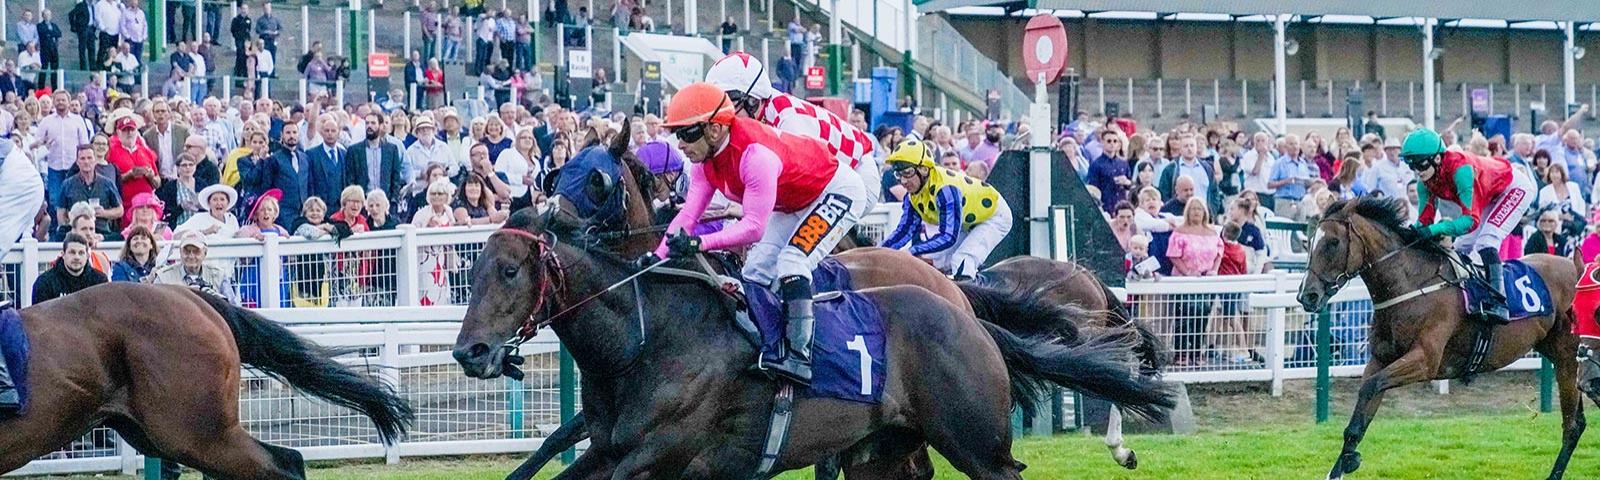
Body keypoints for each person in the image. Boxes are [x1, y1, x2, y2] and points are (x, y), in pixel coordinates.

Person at [654, 83, 870, 385]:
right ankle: (771, 346)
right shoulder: (705, 163)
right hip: (794, 199)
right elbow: (687, 216)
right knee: (754, 271)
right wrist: (655, 257)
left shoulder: (755, 156)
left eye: (687, 133)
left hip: (835, 190)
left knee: (792, 263)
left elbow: (754, 228)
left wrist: (699, 243)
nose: (680, 144)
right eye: (677, 134)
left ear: (715, 130)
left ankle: (799, 356)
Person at [703, 52, 882, 205]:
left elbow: (800, 181)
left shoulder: (789, 119)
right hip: (835, 175)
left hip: (858, 172)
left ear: (752, 100)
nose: (725, 115)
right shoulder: (761, 112)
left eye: (730, 104)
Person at [1405, 128, 1536, 323]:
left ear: (1437, 159)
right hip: (1489, 192)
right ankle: (1465, 297)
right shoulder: (1424, 182)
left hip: (1513, 187)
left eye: (1421, 164)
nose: (1417, 171)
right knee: (1461, 247)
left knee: (1487, 241)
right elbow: (1424, 221)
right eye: (1412, 165)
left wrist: (1435, 229)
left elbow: (1470, 220)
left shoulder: (1461, 170)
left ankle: (1499, 302)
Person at [879, 140, 1013, 280]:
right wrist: (879, 251)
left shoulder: (946, 189)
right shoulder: (912, 196)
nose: (903, 181)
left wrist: (911, 250)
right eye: (898, 175)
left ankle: (975, 298)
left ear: (924, 169)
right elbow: (904, 231)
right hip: (967, 221)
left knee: (962, 260)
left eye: (907, 173)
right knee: (932, 259)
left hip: (994, 217)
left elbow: (948, 237)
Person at [146, 231, 238, 304]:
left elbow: (233, 307)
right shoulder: (164, 277)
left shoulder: (219, 275)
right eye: (186, 251)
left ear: (205, 253)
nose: (191, 256)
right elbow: (154, 306)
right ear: (180, 253)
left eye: (196, 251)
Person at [32, 232, 109, 304]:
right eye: (72, 252)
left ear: (87, 256)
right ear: (63, 254)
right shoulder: (45, 283)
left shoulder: (100, 281)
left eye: (81, 253)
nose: (77, 257)